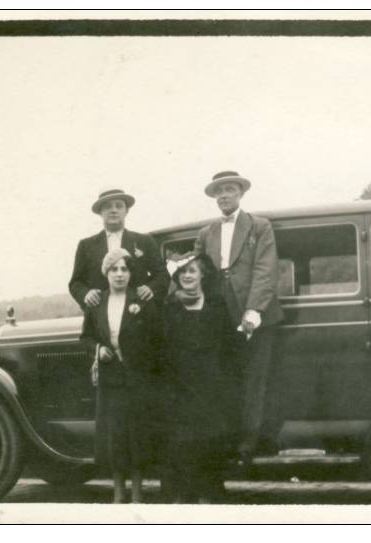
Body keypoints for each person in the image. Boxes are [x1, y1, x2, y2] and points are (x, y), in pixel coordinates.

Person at [194, 170, 284, 463]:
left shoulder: (260, 227)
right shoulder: (206, 233)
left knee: (254, 380)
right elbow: (195, 270)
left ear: (241, 193)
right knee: (224, 379)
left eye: (229, 189)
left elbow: (265, 269)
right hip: (219, 316)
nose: (223, 195)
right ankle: (228, 441)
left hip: (255, 315)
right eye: (218, 191)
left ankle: (249, 443)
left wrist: (254, 309)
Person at [80, 248, 163, 503]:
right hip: (111, 380)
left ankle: (137, 492)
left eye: (124, 269)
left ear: (130, 273)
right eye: (114, 269)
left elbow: (156, 337)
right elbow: (86, 337)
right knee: (115, 435)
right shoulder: (97, 303)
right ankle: (118, 491)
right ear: (106, 273)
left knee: (136, 434)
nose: (119, 274)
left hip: (138, 378)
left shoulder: (141, 299)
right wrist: (99, 349)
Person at [162, 253, 239, 503]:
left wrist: (224, 382)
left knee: (210, 441)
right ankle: (182, 496)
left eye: (192, 271)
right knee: (181, 443)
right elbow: (161, 349)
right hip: (179, 387)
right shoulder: (170, 307)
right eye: (182, 271)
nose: (187, 275)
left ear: (202, 275)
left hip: (211, 387)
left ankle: (209, 494)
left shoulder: (217, 304)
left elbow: (230, 347)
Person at [69, 188, 168, 310]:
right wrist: (86, 294)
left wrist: (151, 288)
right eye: (107, 206)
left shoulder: (144, 241)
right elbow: (75, 283)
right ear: (100, 212)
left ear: (126, 211)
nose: (114, 210)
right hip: (100, 315)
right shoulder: (86, 245)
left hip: (138, 315)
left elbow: (162, 275)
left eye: (119, 206)